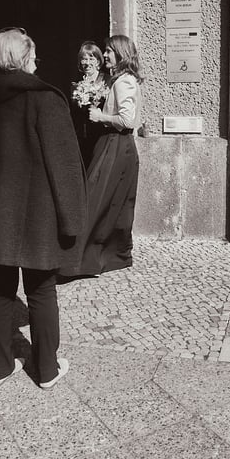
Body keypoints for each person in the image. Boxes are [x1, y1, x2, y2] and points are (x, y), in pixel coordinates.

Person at [0, 27, 85, 388]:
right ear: (26, 58)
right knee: (41, 291)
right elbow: (65, 165)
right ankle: (46, 370)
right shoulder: (43, 98)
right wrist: (72, 220)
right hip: (37, 214)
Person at [66, 34, 143, 277]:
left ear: (120, 53)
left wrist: (101, 117)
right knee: (114, 204)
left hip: (116, 144)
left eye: (109, 51)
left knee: (96, 200)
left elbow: (126, 119)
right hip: (115, 144)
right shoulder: (117, 79)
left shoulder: (123, 82)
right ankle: (112, 256)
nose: (105, 54)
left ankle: (77, 261)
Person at [70, 41, 109, 167]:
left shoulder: (107, 81)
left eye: (91, 58)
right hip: (82, 137)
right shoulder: (75, 85)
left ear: (98, 61)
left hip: (101, 135)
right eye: (83, 59)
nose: (87, 63)